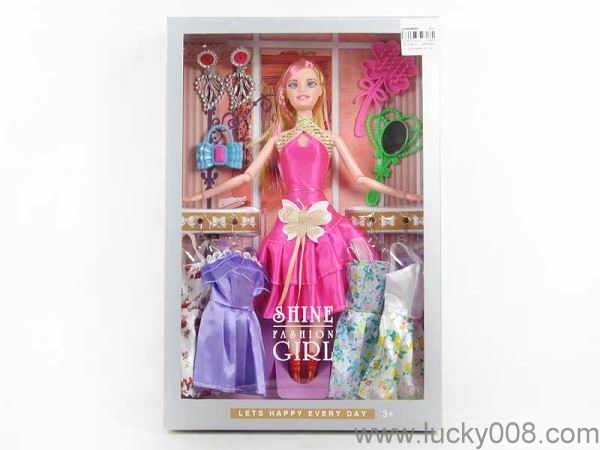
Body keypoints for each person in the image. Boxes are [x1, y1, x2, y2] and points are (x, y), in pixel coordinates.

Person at [184, 58, 421, 383]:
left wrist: (401, 193)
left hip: (322, 221)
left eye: (310, 83)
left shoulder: (330, 139)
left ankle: (311, 358)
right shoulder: (280, 140)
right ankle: (297, 360)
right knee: (290, 293)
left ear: (321, 89)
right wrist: (202, 196)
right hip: (290, 220)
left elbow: (360, 178)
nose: (302, 90)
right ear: (284, 94)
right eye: (294, 85)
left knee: (320, 295)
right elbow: (248, 175)